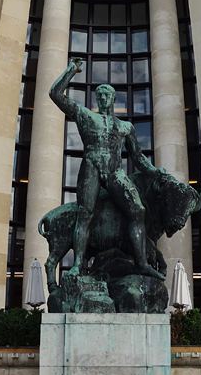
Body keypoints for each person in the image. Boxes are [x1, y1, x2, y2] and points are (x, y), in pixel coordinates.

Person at [49, 58, 164, 280]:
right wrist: (72, 70)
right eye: (99, 95)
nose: (102, 98)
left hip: (115, 173)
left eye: (106, 95)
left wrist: (157, 173)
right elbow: (55, 94)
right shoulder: (86, 116)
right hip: (91, 167)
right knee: (85, 215)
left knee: (138, 211)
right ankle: (78, 264)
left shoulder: (124, 127)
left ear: (113, 99)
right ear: (96, 99)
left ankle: (141, 263)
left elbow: (138, 158)